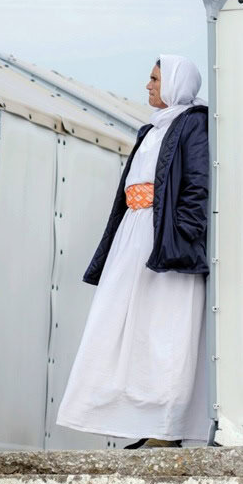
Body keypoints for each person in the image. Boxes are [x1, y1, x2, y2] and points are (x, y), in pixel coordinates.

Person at [55, 55, 210, 449]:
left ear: (176, 82)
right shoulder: (150, 129)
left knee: (165, 330)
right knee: (123, 327)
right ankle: (139, 422)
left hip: (163, 237)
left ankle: (166, 427)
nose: (148, 86)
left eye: (155, 79)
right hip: (133, 235)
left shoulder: (194, 123)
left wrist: (184, 237)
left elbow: (196, 183)